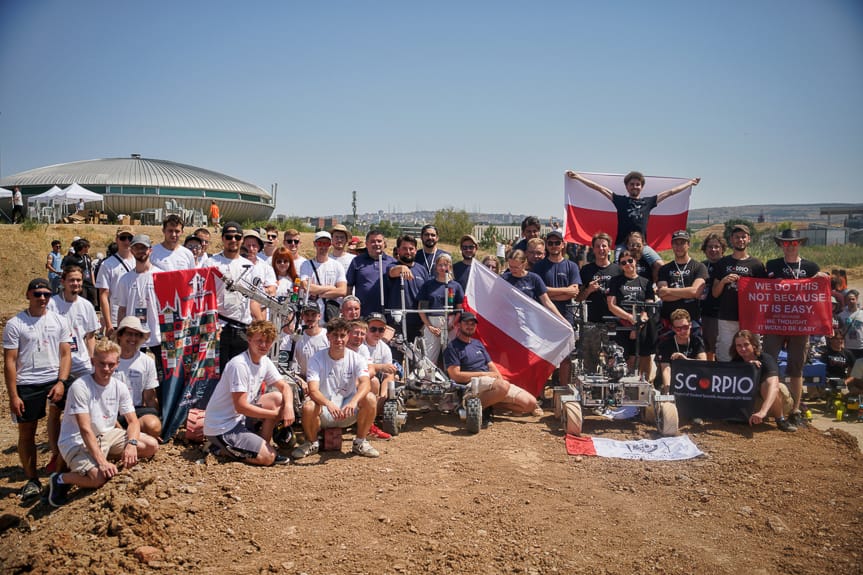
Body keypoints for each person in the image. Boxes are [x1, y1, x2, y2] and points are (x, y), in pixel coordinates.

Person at [47, 339, 159, 507]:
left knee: (151, 445)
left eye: (111, 364)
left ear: (117, 364)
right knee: (99, 478)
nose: (106, 369)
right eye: (102, 364)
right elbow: (85, 429)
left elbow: (133, 421)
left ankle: (98, 460)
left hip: (105, 434)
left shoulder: (119, 386)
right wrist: (102, 462)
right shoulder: (80, 387)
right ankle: (61, 479)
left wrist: (131, 444)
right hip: (77, 440)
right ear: (93, 362)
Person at [3, 278, 72, 503]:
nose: (42, 298)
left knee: (70, 421)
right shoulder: (16, 324)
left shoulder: (59, 321)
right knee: (27, 430)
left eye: (46, 294)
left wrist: (62, 381)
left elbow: (65, 354)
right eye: (37, 294)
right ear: (28, 295)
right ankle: (32, 479)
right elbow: (10, 362)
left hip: (53, 379)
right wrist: (13, 395)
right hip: (28, 382)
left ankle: (59, 471)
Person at [203, 320, 293, 466]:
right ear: (249, 340)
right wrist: (276, 415)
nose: (263, 345)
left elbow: (284, 386)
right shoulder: (239, 364)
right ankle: (219, 449)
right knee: (268, 458)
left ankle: (263, 444)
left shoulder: (264, 360)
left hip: (240, 419)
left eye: (268, 341)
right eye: (259, 341)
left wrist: (288, 407)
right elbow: (241, 407)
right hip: (222, 426)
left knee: (278, 399)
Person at [565, 170, 700, 264]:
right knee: (617, 266)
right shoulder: (620, 200)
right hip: (622, 245)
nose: (635, 187)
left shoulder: (648, 202)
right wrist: (577, 177)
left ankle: (654, 290)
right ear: (627, 186)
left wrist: (690, 183)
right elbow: (599, 188)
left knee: (659, 264)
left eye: (637, 184)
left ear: (641, 187)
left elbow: (670, 192)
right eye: (632, 184)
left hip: (642, 245)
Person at [291, 318, 381, 459]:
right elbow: (313, 389)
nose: (339, 339)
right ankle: (312, 442)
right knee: (308, 406)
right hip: (326, 408)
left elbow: (365, 383)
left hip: (347, 408)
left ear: (348, 336)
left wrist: (353, 402)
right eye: (335, 335)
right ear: (328, 337)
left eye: (342, 335)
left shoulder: (357, 358)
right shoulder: (316, 358)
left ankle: (360, 442)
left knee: (369, 398)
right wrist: (329, 404)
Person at [763, 228, 826, 423]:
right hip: (776, 321)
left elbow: (821, 291)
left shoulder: (811, 267)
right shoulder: (772, 265)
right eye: (786, 243)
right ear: (781, 245)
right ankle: (770, 406)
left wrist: (822, 278)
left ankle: (796, 411)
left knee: (796, 367)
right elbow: (761, 288)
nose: (790, 246)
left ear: (799, 244)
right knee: (769, 362)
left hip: (801, 322)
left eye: (793, 243)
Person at [444, 311, 541, 426]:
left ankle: (482, 406)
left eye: (473, 324)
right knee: (502, 387)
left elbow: (491, 366)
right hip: (472, 385)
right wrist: (484, 375)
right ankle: (472, 407)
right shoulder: (452, 347)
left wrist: (500, 380)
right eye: (467, 323)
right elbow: (455, 375)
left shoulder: (478, 344)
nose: (470, 326)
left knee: (530, 403)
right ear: (459, 325)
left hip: (492, 382)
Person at [203, 222, 265, 373]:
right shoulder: (210, 263)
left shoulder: (250, 267)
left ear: (241, 239)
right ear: (223, 238)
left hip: (242, 328)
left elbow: (254, 299)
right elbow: (203, 296)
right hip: (219, 328)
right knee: (218, 375)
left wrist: (261, 325)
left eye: (237, 237)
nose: (233, 240)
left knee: (240, 372)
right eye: (229, 237)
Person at [532, 229, 581, 386]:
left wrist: (548, 292)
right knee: (544, 355)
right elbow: (539, 293)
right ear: (547, 245)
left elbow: (574, 292)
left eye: (557, 243)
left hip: (566, 316)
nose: (554, 246)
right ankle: (541, 390)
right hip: (544, 316)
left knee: (566, 356)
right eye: (550, 243)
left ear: (563, 245)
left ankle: (563, 389)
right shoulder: (539, 266)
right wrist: (563, 291)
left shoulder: (571, 266)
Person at [712, 224, 766, 361]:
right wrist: (724, 281)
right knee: (726, 354)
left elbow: (764, 293)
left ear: (749, 239)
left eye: (743, 237)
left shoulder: (757, 264)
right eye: (737, 237)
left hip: (750, 318)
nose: (740, 240)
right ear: (731, 239)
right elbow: (714, 293)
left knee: (752, 353)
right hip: (727, 317)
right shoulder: (723, 263)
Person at [730, 330, 796, 432]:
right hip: (755, 404)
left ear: (754, 345)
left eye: (746, 344)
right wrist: (747, 368)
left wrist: (763, 411)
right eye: (738, 345)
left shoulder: (766, 359)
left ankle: (781, 420)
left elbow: (773, 387)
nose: (742, 348)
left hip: (778, 403)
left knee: (770, 386)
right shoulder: (736, 362)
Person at [607, 249, 657, 377]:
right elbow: (612, 305)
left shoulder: (646, 282)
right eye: (623, 263)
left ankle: (645, 383)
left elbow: (649, 305)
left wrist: (640, 321)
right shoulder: (615, 281)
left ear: (636, 261)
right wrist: (629, 318)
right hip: (622, 323)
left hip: (642, 324)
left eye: (630, 260)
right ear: (620, 266)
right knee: (624, 357)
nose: (628, 264)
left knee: (644, 355)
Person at [577, 232, 622, 373]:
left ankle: (612, 390)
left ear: (609, 249)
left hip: (613, 322)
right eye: (598, 246)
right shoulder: (586, 270)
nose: (601, 249)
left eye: (604, 246)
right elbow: (578, 298)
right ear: (593, 249)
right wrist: (589, 289)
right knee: (589, 361)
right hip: (592, 322)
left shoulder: (618, 270)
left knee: (614, 358)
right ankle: (592, 390)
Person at [48, 266, 100, 384]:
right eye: (71, 280)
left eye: (78, 280)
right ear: (63, 282)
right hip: (57, 362)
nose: (75, 283)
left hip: (81, 362)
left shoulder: (87, 306)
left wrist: (92, 358)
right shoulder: (51, 304)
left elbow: (90, 336)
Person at [656, 230, 709, 342]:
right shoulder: (665, 269)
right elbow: (662, 294)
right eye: (676, 243)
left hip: (692, 321)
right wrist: (687, 293)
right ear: (672, 245)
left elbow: (696, 292)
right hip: (668, 321)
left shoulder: (699, 267)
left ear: (688, 245)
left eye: (682, 243)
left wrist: (669, 291)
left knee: (694, 355)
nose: (679, 246)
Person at [114, 316, 161, 439]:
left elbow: (150, 397)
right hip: (110, 412)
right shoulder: (109, 358)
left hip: (134, 411)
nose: (133, 338)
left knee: (153, 425)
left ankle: (127, 435)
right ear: (120, 335)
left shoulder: (147, 361)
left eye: (137, 335)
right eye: (129, 334)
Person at [417, 253, 464, 366]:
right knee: (428, 357)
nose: (443, 268)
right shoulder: (428, 285)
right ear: (436, 267)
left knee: (451, 356)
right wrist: (429, 326)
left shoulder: (456, 286)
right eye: (440, 265)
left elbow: (460, 309)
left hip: (450, 323)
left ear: (450, 267)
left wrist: (452, 325)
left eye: (446, 265)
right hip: (432, 322)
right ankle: (427, 381)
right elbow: (421, 309)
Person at [386, 234, 430, 341]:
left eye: (411, 249)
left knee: (416, 357)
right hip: (397, 322)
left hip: (417, 323)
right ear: (398, 250)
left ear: (415, 250)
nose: (408, 252)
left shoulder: (422, 270)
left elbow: (426, 295)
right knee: (396, 356)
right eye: (404, 248)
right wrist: (402, 267)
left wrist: (425, 320)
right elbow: (392, 272)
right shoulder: (391, 266)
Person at [502, 249, 566, 322]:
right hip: (510, 321)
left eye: (516, 267)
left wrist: (563, 320)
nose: (512, 270)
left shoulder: (534, 279)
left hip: (530, 320)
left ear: (524, 264)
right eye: (511, 266)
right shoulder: (504, 279)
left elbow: (547, 302)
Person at [300, 231, 348, 323]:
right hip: (311, 313)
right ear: (315, 244)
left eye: (326, 243)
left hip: (331, 313)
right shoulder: (306, 265)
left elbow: (342, 290)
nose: (323, 246)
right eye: (320, 243)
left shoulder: (337, 265)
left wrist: (317, 293)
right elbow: (305, 286)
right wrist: (331, 288)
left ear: (330, 244)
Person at [96, 226, 136, 337]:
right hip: (116, 318)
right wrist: (108, 324)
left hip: (137, 317)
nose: (127, 241)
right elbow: (103, 295)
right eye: (123, 238)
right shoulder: (107, 264)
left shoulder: (140, 261)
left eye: (130, 238)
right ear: (117, 239)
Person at [346, 229, 395, 315]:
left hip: (386, 312)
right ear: (367, 244)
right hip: (363, 312)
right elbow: (349, 286)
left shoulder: (392, 262)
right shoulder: (357, 261)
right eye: (372, 241)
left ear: (384, 244)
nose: (376, 244)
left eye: (379, 241)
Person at [656, 309, 706, 393]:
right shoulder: (666, 344)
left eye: (685, 327)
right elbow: (666, 369)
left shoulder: (697, 341)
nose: (682, 331)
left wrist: (685, 360)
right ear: (673, 329)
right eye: (678, 329)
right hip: (673, 383)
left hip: (694, 383)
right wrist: (668, 392)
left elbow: (704, 364)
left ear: (690, 325)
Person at [700, 233, 727, 360]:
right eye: (710, 247)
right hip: (704, 312)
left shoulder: (728, 264)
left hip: (723, 313)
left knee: (721, 348)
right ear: (705, 250)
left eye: (717, 246)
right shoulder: (701, 266)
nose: (713, 250)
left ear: (723, 249)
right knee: (707, 348)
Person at [62, 238, 98, 308]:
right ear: (82, 247)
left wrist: (93, 283)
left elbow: (90, 269)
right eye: (87, 246)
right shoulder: (72, 259)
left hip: (90, 283)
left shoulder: (87, 257)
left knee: (92, 303)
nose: (88, 248)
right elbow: (66, 270)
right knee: (81, 303)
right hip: (81, 284)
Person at [242, 229, 277, 295]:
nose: (251, 249)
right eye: (248, 245)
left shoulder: (266, 267)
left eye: (254, 245)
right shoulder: (235, 264)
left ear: (259, 247)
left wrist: (258, 290)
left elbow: (272, 290)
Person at [839, 289, 863, 360]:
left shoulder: (862, 314)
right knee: (850, 369)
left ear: (856, 299)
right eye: (849, 299)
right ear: (846, 301)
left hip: (861, 347)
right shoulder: (841, 315)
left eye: (853, 299)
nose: (851, 301)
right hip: (848, 347)